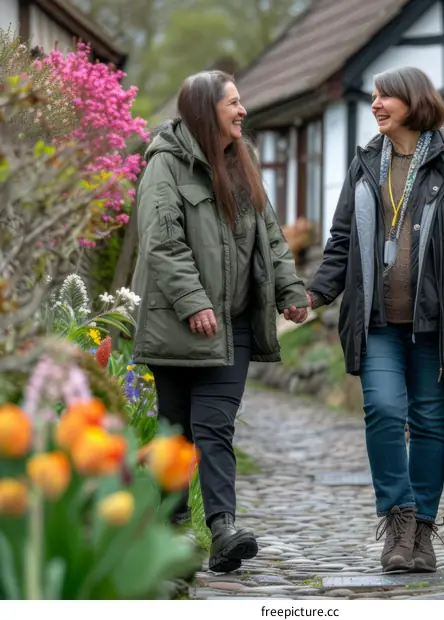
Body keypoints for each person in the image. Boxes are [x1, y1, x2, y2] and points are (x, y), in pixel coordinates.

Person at [307, 67, 444, 573]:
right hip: (376, 321)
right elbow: (342, 239)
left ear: (412, 101)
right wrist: (315, 293)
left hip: (437, 323)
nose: (375, 104)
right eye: (372, 96)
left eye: (385, 95)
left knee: (431, 423)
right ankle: (399, 518)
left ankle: (423, 535)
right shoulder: (366, 162)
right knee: (385, 411)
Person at [131, 70, 308, 573]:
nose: (243, 111)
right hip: (177, 325)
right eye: (233, 103)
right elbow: (162, 242)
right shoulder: (164, 166)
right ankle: (171, 531)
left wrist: (290, 290)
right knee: (175, 432)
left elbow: (270, 237)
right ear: (207, 111)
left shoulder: (241, 162)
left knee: (214, 426)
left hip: (234, 326)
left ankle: (222, 529)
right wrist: (193, 301)